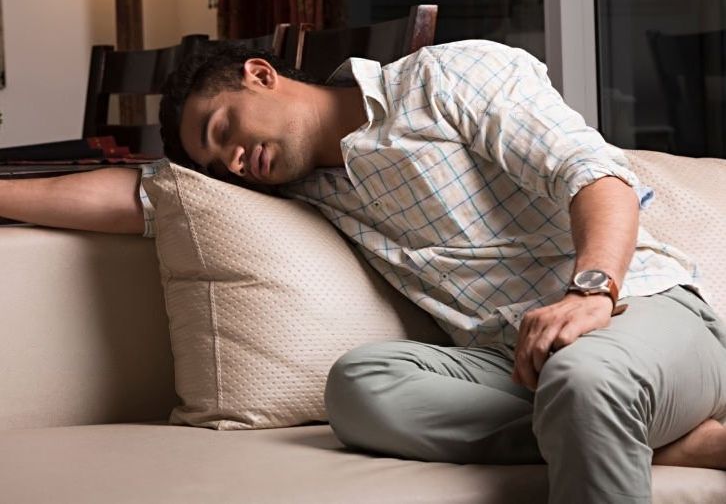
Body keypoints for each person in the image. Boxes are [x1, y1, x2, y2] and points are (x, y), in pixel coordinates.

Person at [2, 39, 726, 503]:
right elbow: (138, 194)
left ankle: (603, 411)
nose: (232, 161)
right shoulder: (304, 187)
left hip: (640, 310)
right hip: (508, 361)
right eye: (218, 162)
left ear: (261, 75)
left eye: (223, 130)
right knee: (361, 387)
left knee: (583, 378)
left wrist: (591, 291)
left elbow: (595, 174)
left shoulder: (445, 78)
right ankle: (649, 436)